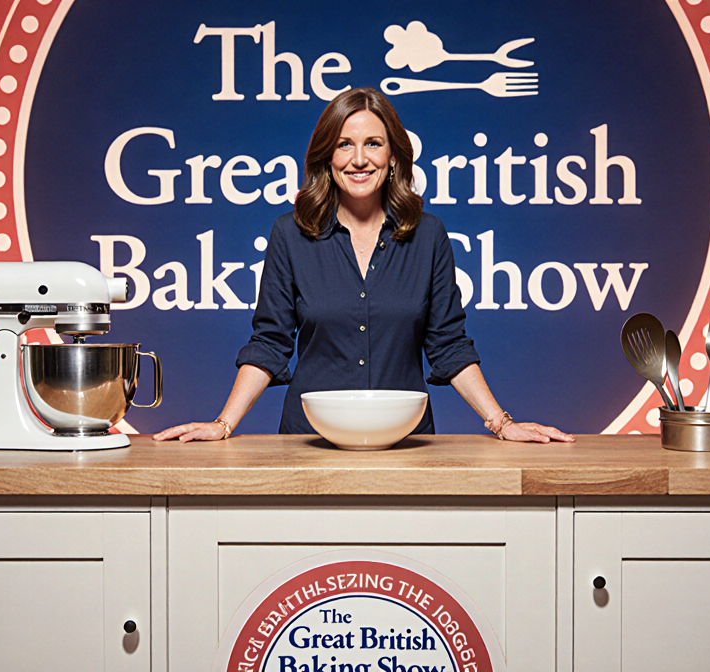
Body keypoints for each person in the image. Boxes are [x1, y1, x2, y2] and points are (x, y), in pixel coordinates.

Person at [154, 87, 573, 444]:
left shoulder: (428, 235)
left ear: (393, 156)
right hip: (308, 444)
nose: (359, 159)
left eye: (373, 143)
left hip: (407, 445)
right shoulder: (289, 234)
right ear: (327, 157)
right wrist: (223, 424)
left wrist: (503, 424)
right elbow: (269, 343)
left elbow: (449, 345)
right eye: (343, 144)